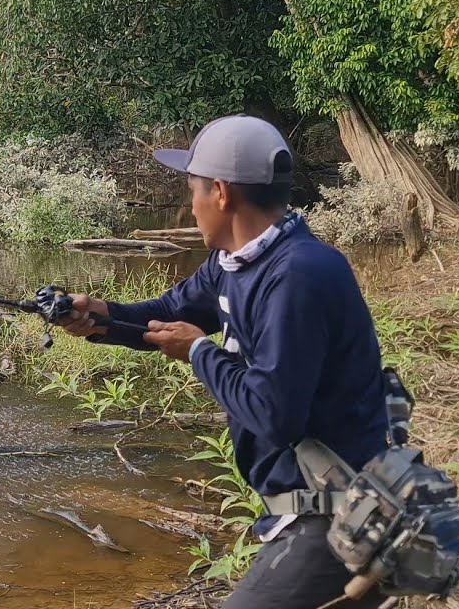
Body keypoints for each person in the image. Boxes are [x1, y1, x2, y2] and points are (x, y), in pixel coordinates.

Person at [54, 115, 391, 608]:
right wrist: (100, 318)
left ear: (220, 192)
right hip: (304, 507)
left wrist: (199, 351)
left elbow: (275, 416)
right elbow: (170, 313)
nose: (190, 204)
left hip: (335, 516)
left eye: (192, 188)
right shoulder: (236, 261)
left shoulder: (298, 276)